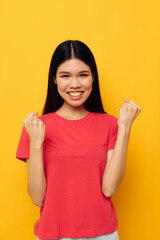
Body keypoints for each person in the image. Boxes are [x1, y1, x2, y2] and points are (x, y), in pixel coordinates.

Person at [16, 40, 141, 240]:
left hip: (103, 234)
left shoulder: (111, 124)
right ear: (54, 79)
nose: (75, 84)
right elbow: (38, 198)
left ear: (93, 77)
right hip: (53, 234)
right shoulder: (36, 127)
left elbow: (109, 188)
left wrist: (125, 128)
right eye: (65, 76)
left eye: (83, 75)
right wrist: (37, 143)